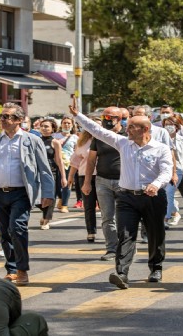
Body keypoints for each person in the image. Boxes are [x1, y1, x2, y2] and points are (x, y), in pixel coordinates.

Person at [71, 98, 173, 289]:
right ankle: (122, 273)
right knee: (125, 234)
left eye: (132, 127)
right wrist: (78, 116)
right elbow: (98, 131)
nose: (127, 129)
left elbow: (166, 171)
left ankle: (156, 267)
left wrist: (156, 184)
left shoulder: (161, 149)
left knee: (155, 234)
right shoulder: (123, 143)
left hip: (153, 197)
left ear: (145, 130)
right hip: (127, 197)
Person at [0, 103, 55, 286]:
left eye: (7, 117)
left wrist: (48, 193)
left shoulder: (32, 141)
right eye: (1, 116)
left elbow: (44, 169)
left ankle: (22, 269)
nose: (2, 120)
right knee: (4, 232)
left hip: (21, 193)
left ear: (18, 120)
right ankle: (11, 269)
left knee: (17, 228)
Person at [83, 106, 124, 261]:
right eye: (104, 117)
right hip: (102, 181)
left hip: (124, 182)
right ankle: (111, 249)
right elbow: (91, 160)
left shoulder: (128, 135)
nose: (105, 120)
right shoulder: (98, 137)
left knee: (123, 216)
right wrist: (87, 182)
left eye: (109, 117)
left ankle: (124, 246)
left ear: (119, 119)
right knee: (107, 217)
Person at [69, 124, 99, 242]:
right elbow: (75, 161)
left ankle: (112, 232)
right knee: (89, 206)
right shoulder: (82, 143)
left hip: (102, 176)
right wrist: (70, 176)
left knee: (107, 207)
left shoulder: (105, 140)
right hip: (84, 176)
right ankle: (91, 231)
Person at [37, 118, 67, 230]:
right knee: (36, 196)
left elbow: (59, 160)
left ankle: (46, 219)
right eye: (42, 126)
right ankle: (45, 212)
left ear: (52, 129)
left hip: (51, 172)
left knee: (50, 196)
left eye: (47, 126)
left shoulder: (55, 142)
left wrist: (63, 177)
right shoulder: (36, 140)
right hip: (38, 172)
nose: (44, 128)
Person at [162, 116, 183, 226]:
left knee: (168, 192)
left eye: (171, 124)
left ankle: (165, 219)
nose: (168, 127)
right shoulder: (160, 139)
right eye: (166, 124)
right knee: (164, 193)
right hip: (163, 170)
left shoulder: (182, 139)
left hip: (179, 170)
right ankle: (175, 211)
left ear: (177, 126)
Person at [53, 115, 79, 213]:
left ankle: (65, 205)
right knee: (57, 184)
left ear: (72, 125)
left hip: (68, 163)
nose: (67, 125)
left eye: (69, 123)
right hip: (56, 163)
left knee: (66, 184)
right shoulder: (55, 136)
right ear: (61, 124)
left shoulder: (75, 138)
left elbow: (76, 151)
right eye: (65, 123)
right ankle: (60, 198)